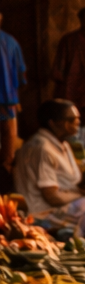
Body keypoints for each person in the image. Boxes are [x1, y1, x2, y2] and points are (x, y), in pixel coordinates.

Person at [13, 98, 85, 237]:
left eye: (78, 118)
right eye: (71, 119)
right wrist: (82, 194)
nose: (77, 122)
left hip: (60, 207)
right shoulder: (42, 147)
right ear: (53, 123)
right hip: (42, 213)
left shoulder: (63, 145)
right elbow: (52, 196)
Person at [0, 10, 26, 170]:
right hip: (8, 102)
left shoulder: (11, 42)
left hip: (8, 102)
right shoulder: (11, 42)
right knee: (8, 150)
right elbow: (21, 74)